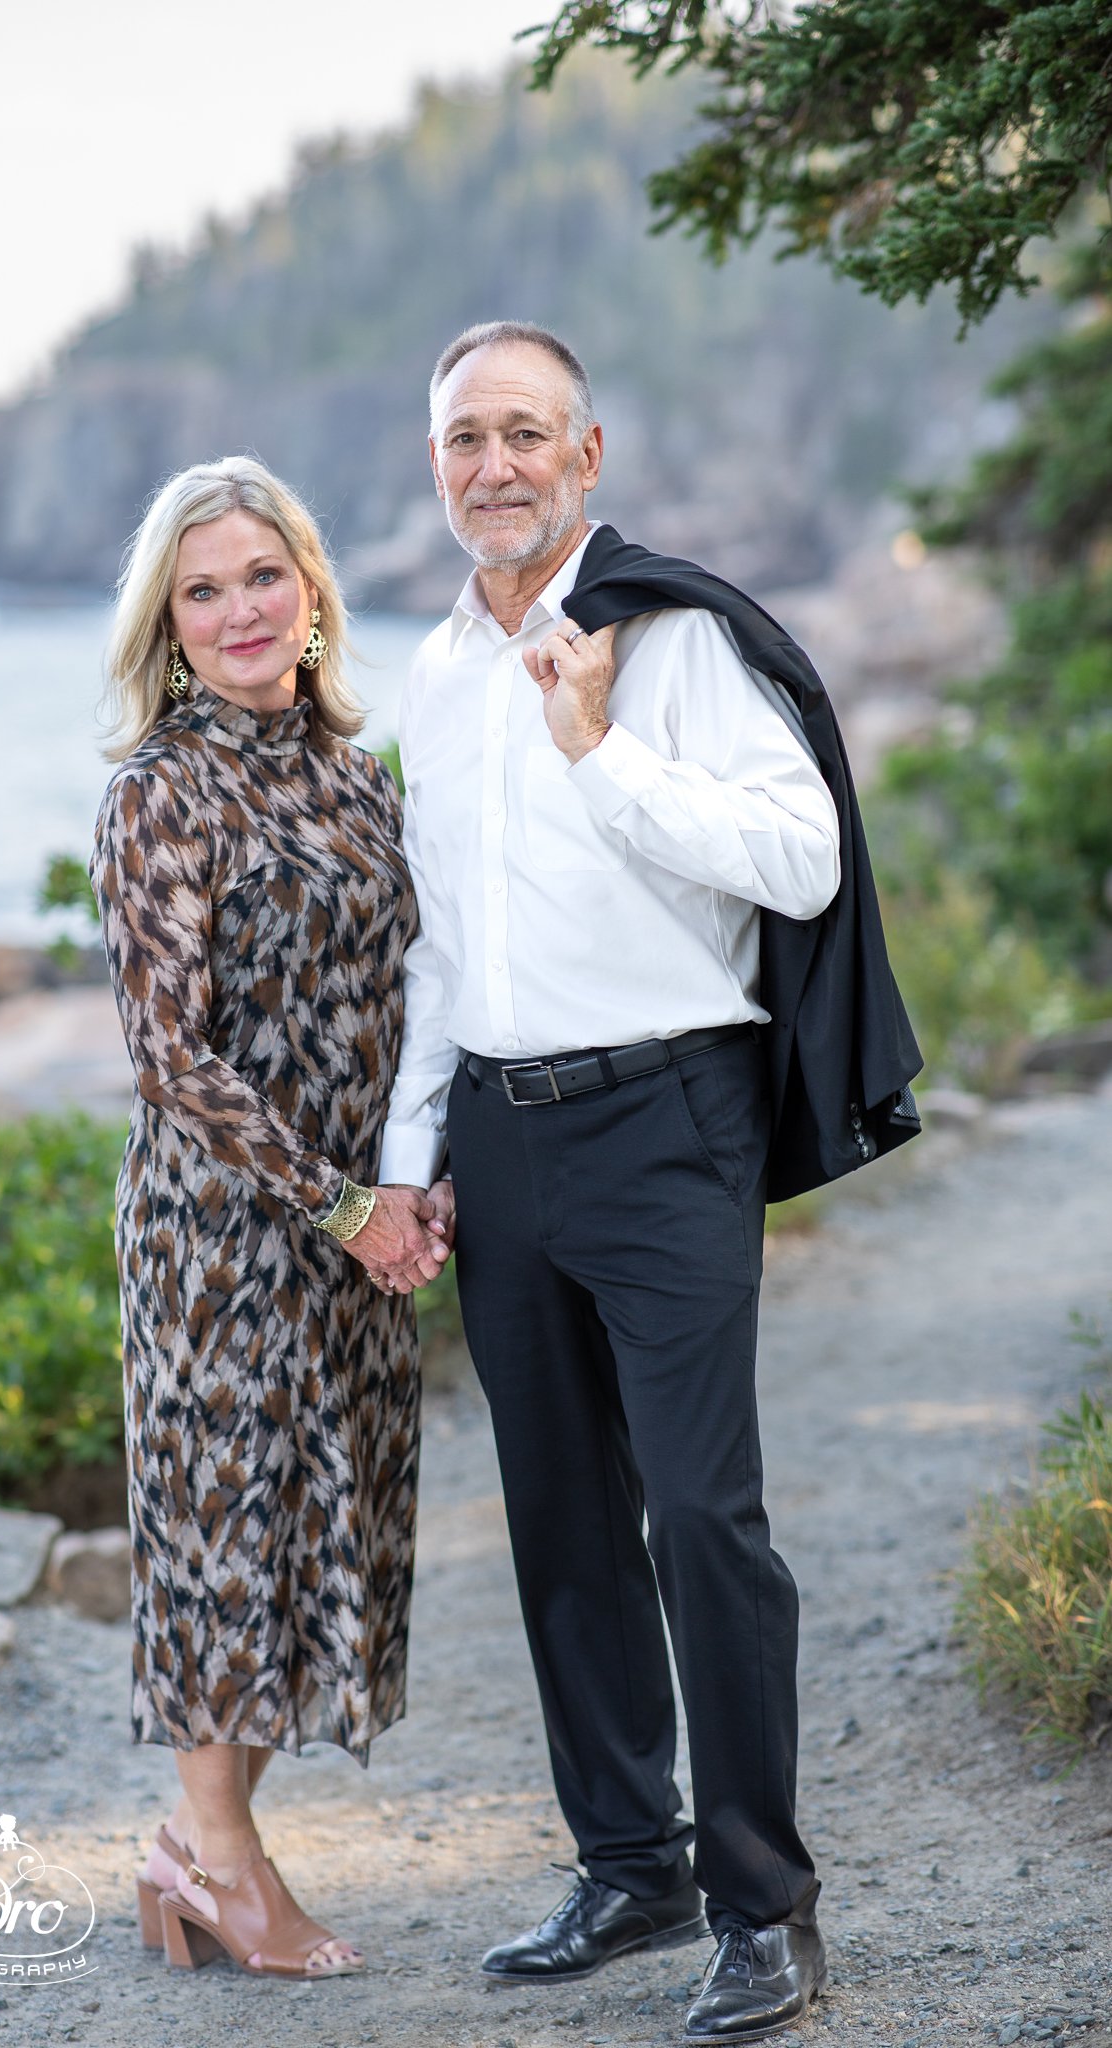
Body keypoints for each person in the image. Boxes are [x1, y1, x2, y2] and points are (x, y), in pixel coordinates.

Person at [376, 320, 916, 2041]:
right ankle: (631, 1866)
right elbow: (435, 950)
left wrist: (603, 752)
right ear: (438, 465)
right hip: (506, 1138)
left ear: (585, 458)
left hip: (668, 1113)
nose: (493, 466)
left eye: (524, 433)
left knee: (698, 1517)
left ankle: (763, 1905)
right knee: (558, 1527)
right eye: (464, 438)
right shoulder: (438, 673)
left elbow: (806, 856)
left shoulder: (668, 638)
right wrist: (413, 1159)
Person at [89, 456, 452, 1981]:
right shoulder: (157, 788)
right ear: (167, 625)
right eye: (202, 589)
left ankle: (189, 1853)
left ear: (309, 589)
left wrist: (416, 1179)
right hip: (226, 1234)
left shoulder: (354, 774)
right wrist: (339, 1205)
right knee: (223, 1537)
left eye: (260, 577)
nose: (239, 610)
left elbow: (415, 983)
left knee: (310, 1531)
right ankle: (224, 1867)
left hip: (359, 1214)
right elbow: (170, 1052)